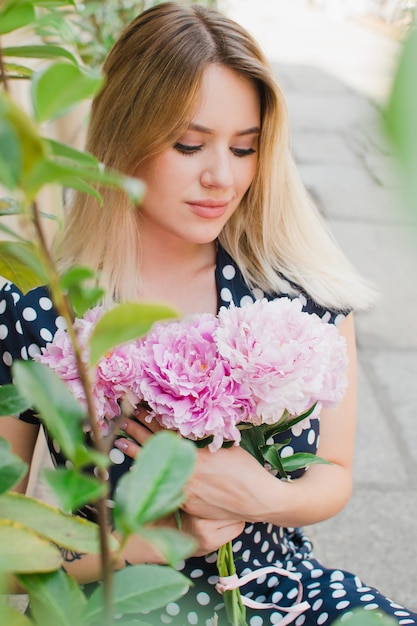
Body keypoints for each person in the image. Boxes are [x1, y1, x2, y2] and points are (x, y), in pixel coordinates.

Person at [0, 2, 415, 624]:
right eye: (190, 145)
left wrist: (261, 495)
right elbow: (8, 554)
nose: (223, 176)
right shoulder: (42, 309)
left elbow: (335, 475)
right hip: (113, 604)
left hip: (278, 593)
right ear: (124, 139)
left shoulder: (298, 297)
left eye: (245, 148)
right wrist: (154, 541)